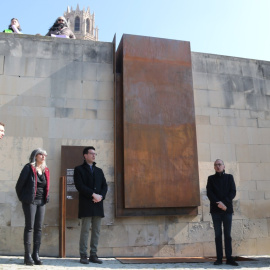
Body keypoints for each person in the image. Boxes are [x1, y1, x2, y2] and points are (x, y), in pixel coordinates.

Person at [16, 148, 50, 266]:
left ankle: (36, 254)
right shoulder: (28, 168)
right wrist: (23, 198)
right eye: (40, 154)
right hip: (30, 201)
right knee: (29, 227)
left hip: (41, 202)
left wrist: (47, 197)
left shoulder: (45, 169)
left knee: (38, 228)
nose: (43, 156)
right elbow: (19, 185)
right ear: (35, 156)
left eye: (44, 154)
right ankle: (27, 255)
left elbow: (46, 186)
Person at [74, 146, 108, 264]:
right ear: (85, 155)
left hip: (98, 204)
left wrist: (101, 196)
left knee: (96, 230)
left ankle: (93, 254)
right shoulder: (78, 169)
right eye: (91, 153)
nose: (94, 155)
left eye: (95, 154)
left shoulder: (99, 171)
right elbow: (80, 186)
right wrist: (93, 194)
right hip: (86, 204)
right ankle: (83, 255)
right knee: (85, 230)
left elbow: (105, 186)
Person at [206, 159, 238, 266]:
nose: (218, 166)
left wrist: (224, 203)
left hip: (227, 210)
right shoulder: (210, 179)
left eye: (220, 164)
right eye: (216, 165)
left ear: (224, 166)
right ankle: (219, 258)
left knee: (227, 235)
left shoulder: (229, 177)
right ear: (214, 167)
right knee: (218, 235)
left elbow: (233, 191)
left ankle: (229, 258)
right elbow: (209, 193)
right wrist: (218, 204)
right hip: (215, 211)